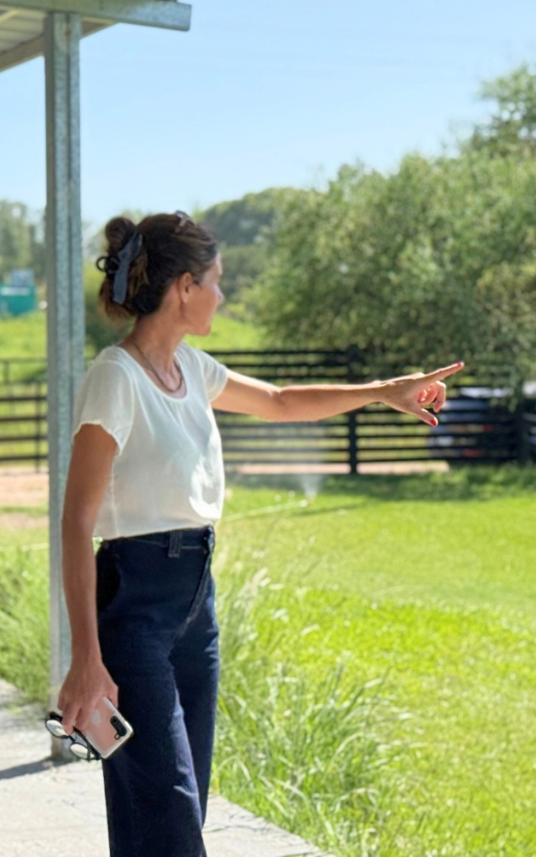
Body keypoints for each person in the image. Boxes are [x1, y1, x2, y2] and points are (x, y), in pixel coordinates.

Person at [56, 212, 462, 856]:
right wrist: (85, 657)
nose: (224, 295)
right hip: (135, 604)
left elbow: (279, 401)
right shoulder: (117, 376)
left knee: (174, 807)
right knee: (168, 809)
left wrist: (387, 392)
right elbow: (78, 522)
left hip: (196, 604)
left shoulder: (190, 370)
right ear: (185, 287)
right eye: (218, 281)